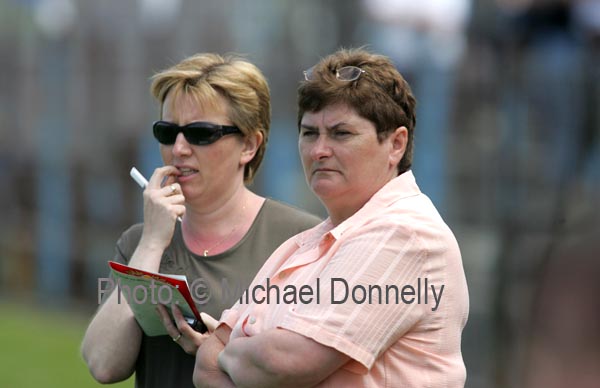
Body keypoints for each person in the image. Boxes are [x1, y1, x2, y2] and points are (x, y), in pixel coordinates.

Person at [194, 48, 469, 387]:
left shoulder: (406, 234)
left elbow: (287, 361)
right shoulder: (303, 244)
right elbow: (205, 366)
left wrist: (229, 353)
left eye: (341, 133)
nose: (318, 150)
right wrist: (234, 355)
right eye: (309, 133)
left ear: (396, 144)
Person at [81, 53, 321, 388]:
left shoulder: (304, 240)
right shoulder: (140, 242)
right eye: (167, 131)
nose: (178, 148)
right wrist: (151, 244)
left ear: (249, 145)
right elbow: (103, 364)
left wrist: (221, 353)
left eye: (201, 133)